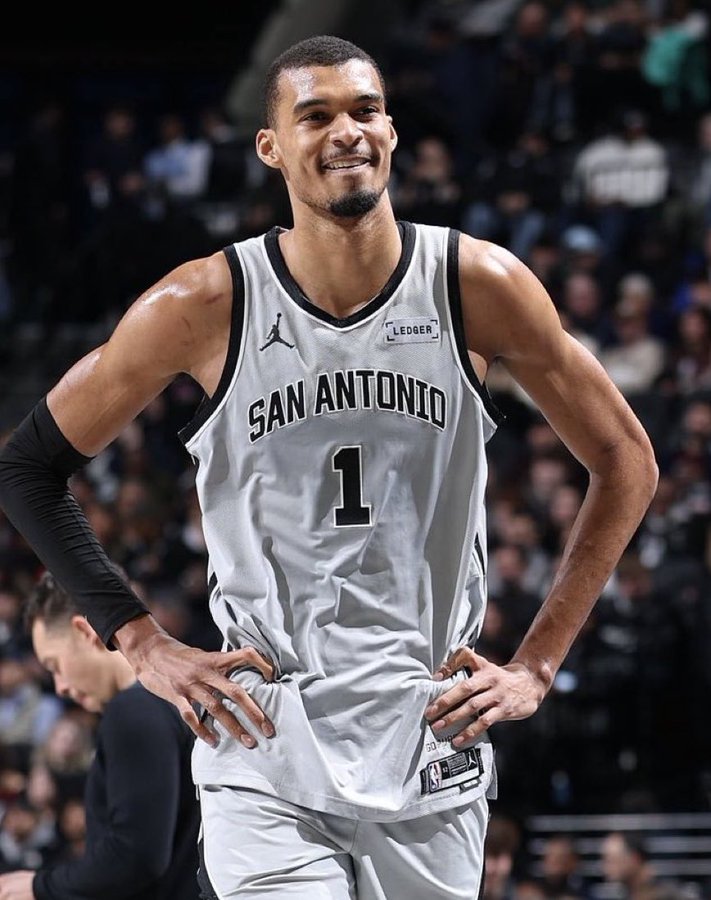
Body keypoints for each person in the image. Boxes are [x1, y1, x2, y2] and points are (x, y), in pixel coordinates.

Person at [0, 34, 658, 899]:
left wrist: (535, 665)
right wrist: (143, 642)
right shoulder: (202, 304)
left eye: (366, 109)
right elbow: (28, 467)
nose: (347, 130)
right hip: (267, 739)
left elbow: (626, 461)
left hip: (427, 731)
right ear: (270, 147)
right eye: (316, 115)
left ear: (390, 128)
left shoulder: (475, 284)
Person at [0, 571, 200, 899]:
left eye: (55, 664)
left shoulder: (132, 710)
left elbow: (137, 857)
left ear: (85, 631)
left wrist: (38, 886)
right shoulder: (169, 697)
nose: (61, 686)